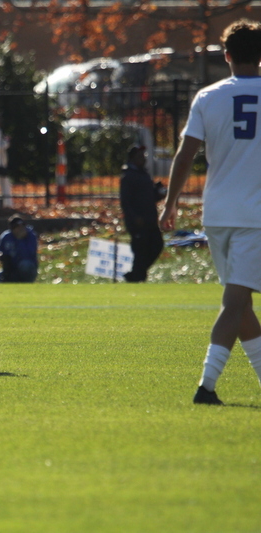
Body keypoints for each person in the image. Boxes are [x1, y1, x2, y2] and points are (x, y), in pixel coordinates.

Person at [159, 19, 261, 406]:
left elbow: (186, 155)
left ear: (227, 56)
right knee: (235, 303)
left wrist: (170, 203)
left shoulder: (208, 96)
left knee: (242, 305)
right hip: (256, 216)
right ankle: (206, 386)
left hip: (217, 214)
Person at [120, 145, 166, 282]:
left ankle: (135, 274)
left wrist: (159, 193)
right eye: (140, 157)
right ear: (132, 158)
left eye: (144, 156)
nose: (143, 159)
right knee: (140, 251)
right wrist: (134, 218)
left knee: (157, 245)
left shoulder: (143, 174)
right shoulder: (128, 176)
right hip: (138, 222)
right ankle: (137, 277)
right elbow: (125, 202)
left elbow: (149, 197)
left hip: (150, 220)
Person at [0, 215, 38, 283]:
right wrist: (3, 257)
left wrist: (20, 240)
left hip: (27, 269)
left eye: (22, 226)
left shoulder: (30, 236)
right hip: (11, 270)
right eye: (17, 227)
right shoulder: (6, 237)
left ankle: (25, 283)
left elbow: (29, 254)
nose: (20, 229)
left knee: (25, 265)